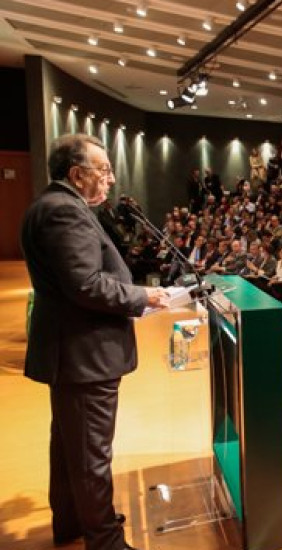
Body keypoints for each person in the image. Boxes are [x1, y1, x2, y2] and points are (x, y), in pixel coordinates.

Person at [20, 134, 168, 550]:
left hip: (73, 351)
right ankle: (105, 542)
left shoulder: (51, 205)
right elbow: (85, 284)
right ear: (77, 174)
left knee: (71, 447)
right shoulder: (64, 212)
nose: (109, 178)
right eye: (102, 170)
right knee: (90, 455)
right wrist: (143, 295)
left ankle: (71, 522)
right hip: (84, 353)